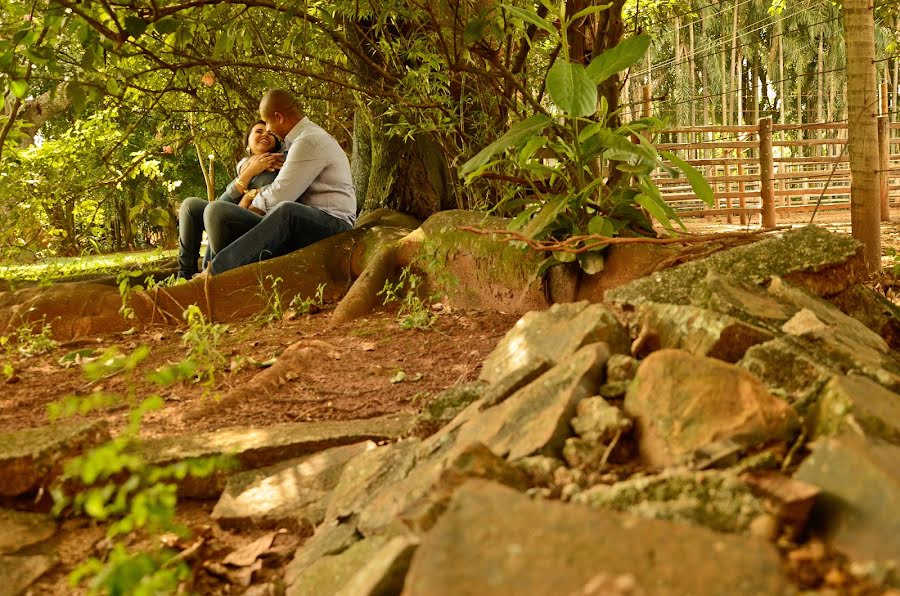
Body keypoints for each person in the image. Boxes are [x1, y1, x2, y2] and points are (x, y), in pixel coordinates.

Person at [202, 88, 356, 276]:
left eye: (267, 122)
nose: (267, 129)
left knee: (286, 210)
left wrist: (248, 207)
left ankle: (215, 273)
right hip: (299, 222)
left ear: (279, 117)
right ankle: (207, 271)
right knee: (218, 212)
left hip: (333, 222)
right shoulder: (296, 142)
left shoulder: (309, 140)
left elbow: (281, 193)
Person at [176, 120, 284, 279]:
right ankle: (184, 276)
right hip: (230, 225)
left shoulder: (279, 165)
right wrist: (249, 173)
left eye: (270, 133)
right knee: (189, 206)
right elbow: (221, 203)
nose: (265, 135)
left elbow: (281, 191)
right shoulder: (245, 168)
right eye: (259, 131)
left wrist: (247, 198)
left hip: (261, 230)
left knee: (216, 211)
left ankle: (213, 272)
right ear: (247, 142)